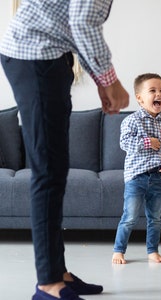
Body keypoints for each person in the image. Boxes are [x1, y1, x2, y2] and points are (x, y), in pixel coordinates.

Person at [0, 1, 129, 299]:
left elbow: (74, 25)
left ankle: (58, 273)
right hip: (34, 56)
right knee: (47, 171)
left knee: (55, 170)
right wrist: (111, 81)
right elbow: (83, 22)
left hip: (48, 56)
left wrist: (100, 81)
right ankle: (48, 285)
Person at [112, 73, 161, 264]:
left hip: (158, 177)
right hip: (136, 177)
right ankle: (119, 250)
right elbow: (124, 143)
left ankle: (152, 251)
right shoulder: (132, 121)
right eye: (152, 91)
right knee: (130, 216)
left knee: (155, 217)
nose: (159, 94)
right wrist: (148, 142)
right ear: (140, 98)